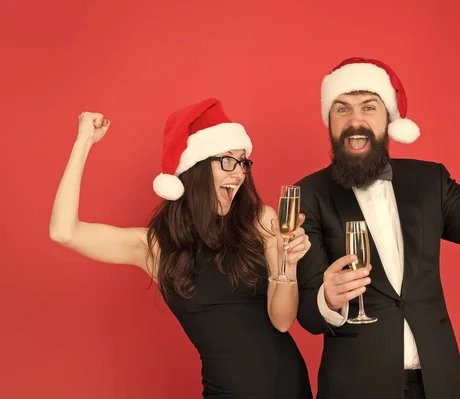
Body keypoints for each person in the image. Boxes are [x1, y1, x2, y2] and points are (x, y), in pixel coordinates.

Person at [295, 57, 460, 399]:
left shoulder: (429, 181)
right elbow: (307, 313)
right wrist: (327, 299)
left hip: (439, 383)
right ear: (329, 121)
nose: (355, 121)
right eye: (342, 109)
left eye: (369, 107)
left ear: (389, 119)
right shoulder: (308, 194)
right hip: (356, 388)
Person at [49, 98, 313, 399]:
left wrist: (287, 265)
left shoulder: (260, 220)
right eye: (227, 160)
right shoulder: (154, 247)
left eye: (243, 162)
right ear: (196, 169)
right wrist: (83, 141)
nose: (239, 173)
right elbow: (63, 232)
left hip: (290, 387)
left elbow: (281, 321)